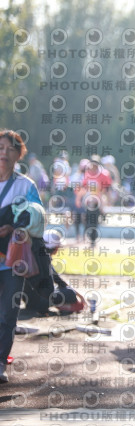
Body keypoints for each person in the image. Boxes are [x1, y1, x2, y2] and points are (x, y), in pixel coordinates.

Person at [0, 129, 44, 384]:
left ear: (19, 154)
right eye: (0, 148)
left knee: (8, 312)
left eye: (10, 149)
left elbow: (37, 220)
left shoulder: (26, 186)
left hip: (12, 261)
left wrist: (16, 228)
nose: (4, 153)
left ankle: (0, 362)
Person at [77, 156, 112, 248]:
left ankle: (93, 240)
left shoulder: (104, 174)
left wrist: (107, 201)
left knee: (94, 221)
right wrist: (79, 198)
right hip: (89, 201)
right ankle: (89, 236)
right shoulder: (88, 174)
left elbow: (106, 189)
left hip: (98, 201)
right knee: (87, 221)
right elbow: (84, 187)